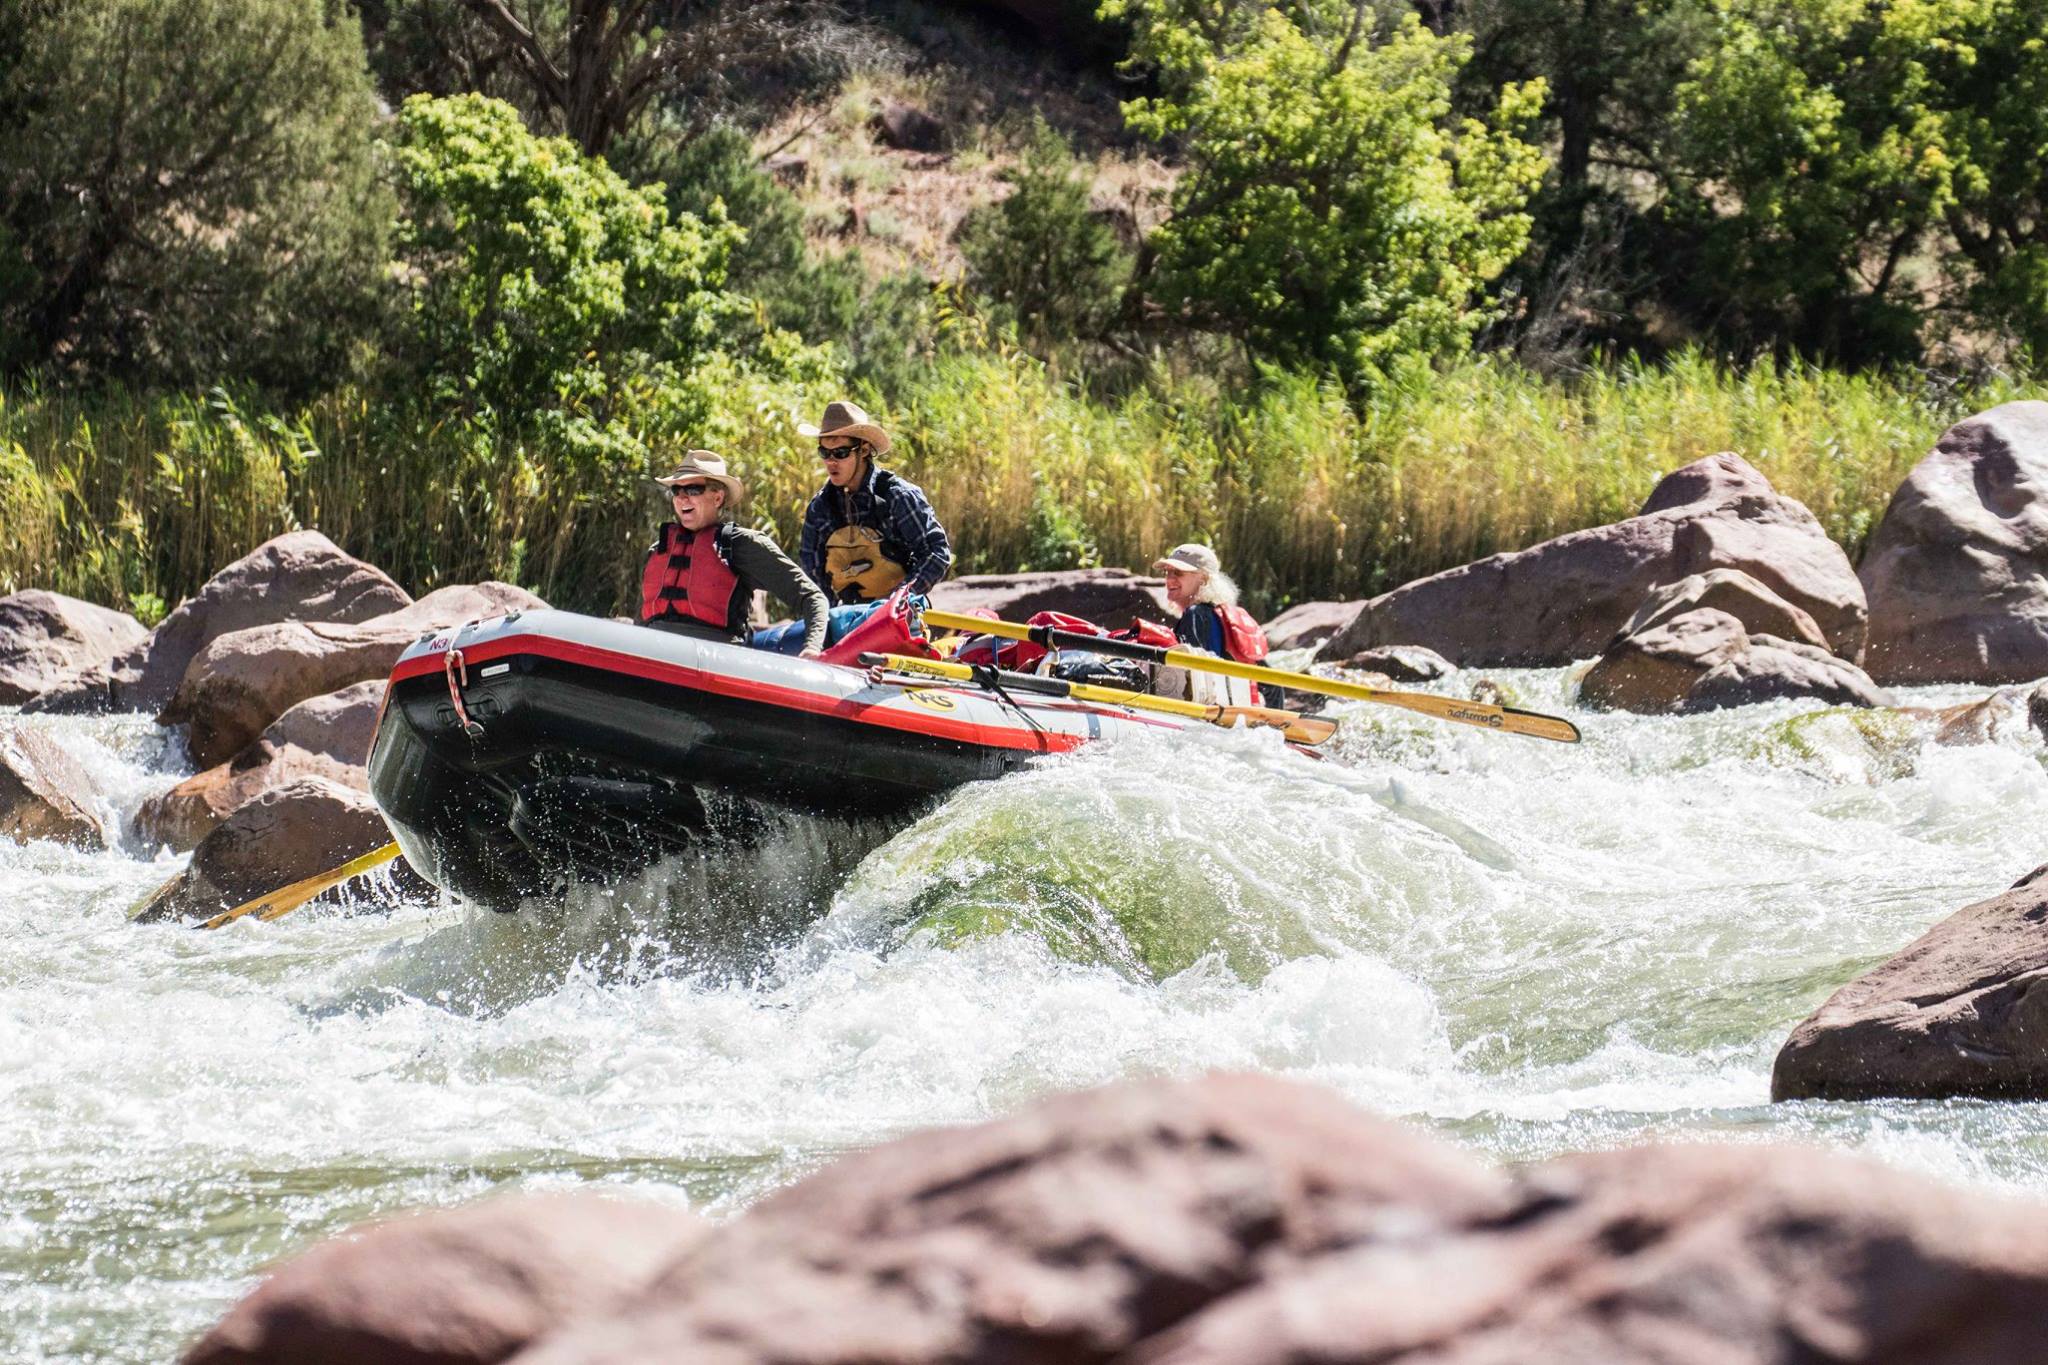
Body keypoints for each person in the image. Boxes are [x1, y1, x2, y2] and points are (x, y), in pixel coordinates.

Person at [641, 450, 829, 657]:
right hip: (655, 653)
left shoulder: (740, 544)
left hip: (714, 660)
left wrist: (812, 647)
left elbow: (812, 597)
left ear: (718, 497)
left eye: (694, 489)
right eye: (677, 490)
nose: (682, 498)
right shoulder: (659, 549)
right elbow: (642, 620)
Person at [797, 400, 952, 607]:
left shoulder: (898, 496)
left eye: (840, 453)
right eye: (824, 453)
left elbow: (936, 553)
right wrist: (835, 615)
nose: (830, 462)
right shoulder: (819, 508)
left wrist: (896, 602)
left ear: (864, 450)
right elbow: (812, 572)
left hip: (900, 616)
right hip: (846, 618)